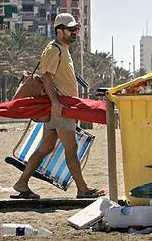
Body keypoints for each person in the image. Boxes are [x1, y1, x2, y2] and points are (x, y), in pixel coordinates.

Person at [13, 13, 105, 199]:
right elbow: (46, 77)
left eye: (76, 29)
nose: (74, 33)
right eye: (71, 30)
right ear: (59, 30)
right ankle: (82, 189)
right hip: (60, 108)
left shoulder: (62, 49)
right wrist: (56, 103)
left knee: (45, 148)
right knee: (71, 149)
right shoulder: (53, 49)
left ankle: (22, 183)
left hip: (60, 107)